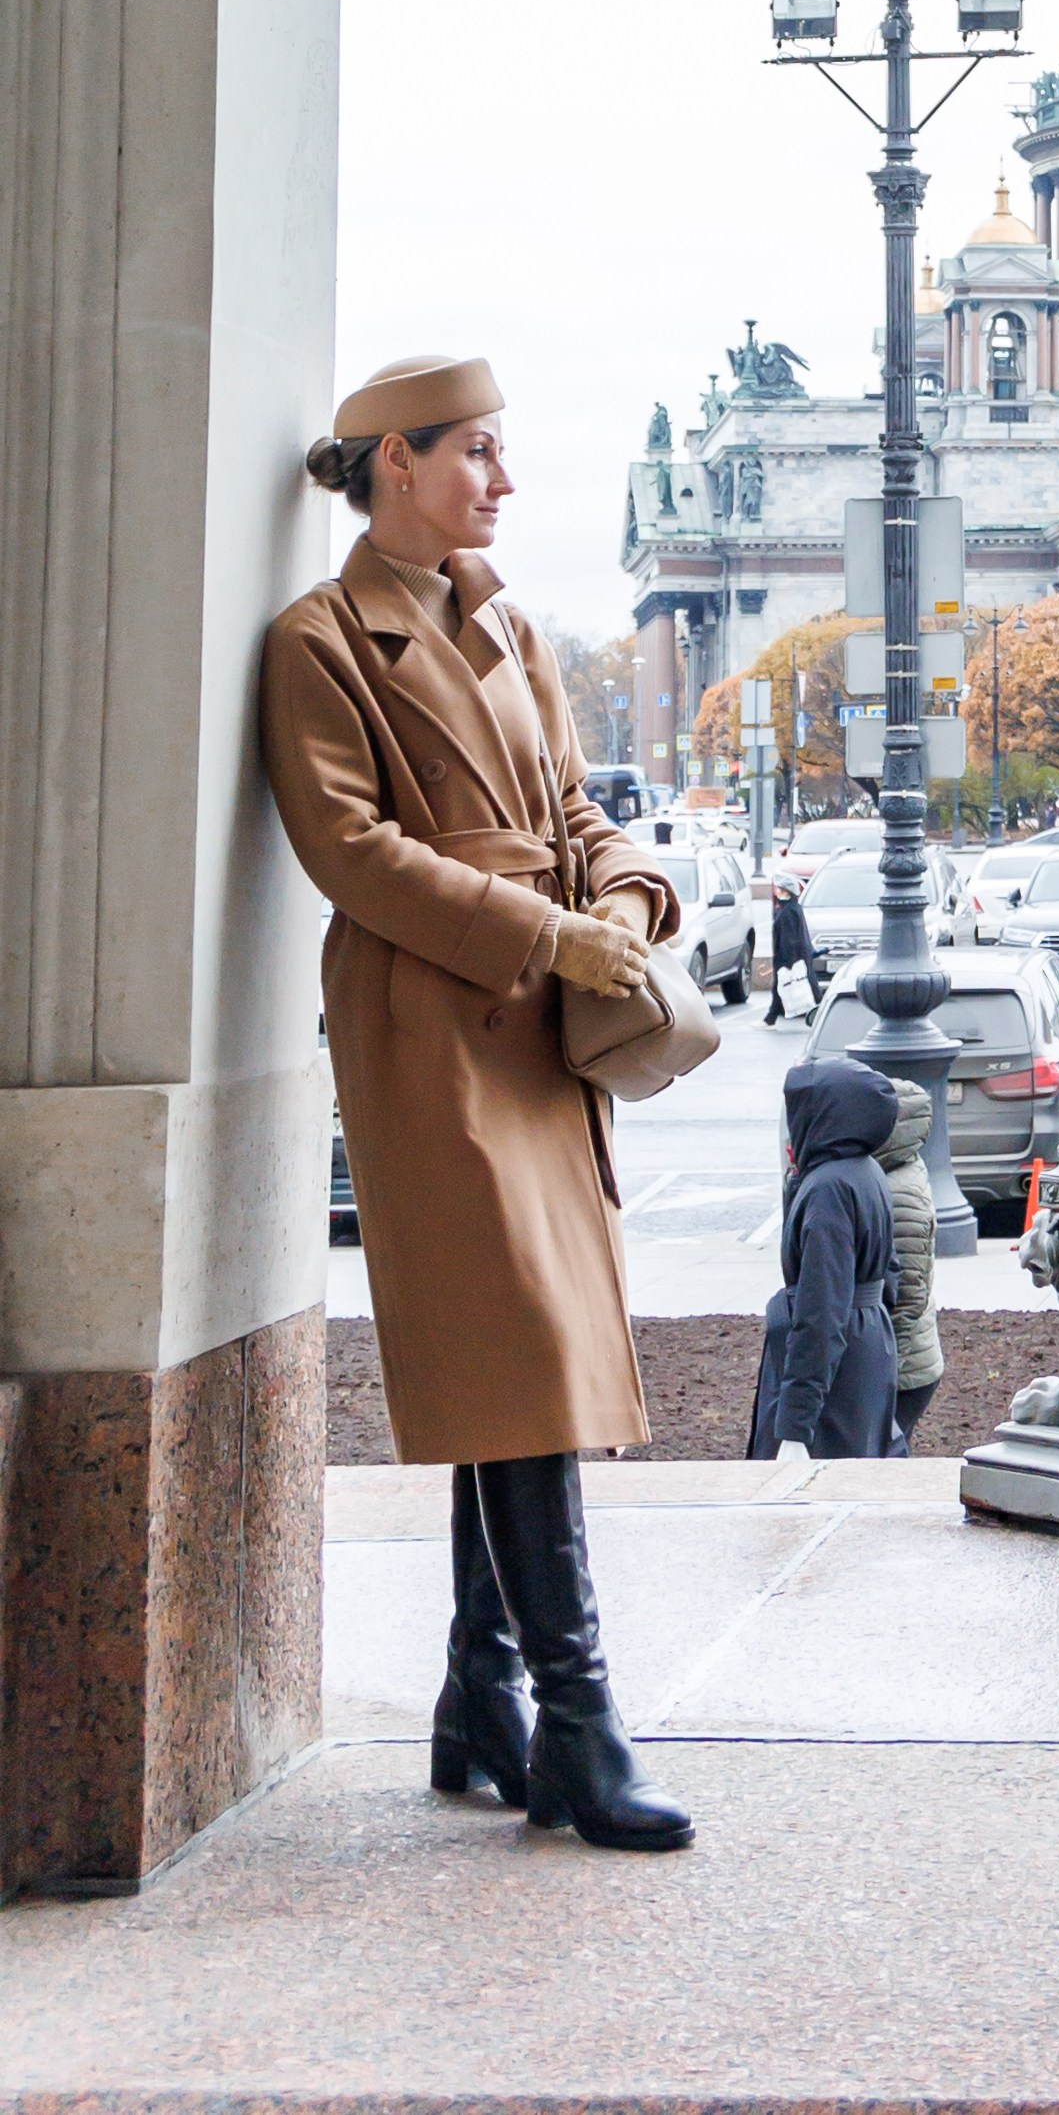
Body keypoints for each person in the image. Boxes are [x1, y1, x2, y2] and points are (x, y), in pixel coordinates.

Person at [260, 355, 694, 1852]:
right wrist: (547, 933)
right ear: (394, 461)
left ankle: (478, 1697)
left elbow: (572, 810)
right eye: (478, 453)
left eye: (503, 455)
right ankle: (578, 1726)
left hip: (539, 1024)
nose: (502, 480)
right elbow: (351, 851)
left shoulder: (506, 618)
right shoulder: (320, 640)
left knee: (518, 1372)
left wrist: (633, 889)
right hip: (431, 1023)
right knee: (517, 1359)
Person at [749, 1057, 902, 1459]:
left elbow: (821, 1311)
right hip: (865, 1352)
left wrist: (797, 1426)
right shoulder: (865, 1172)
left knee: (815, 1498)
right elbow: (891, 1274)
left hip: (836, 1371)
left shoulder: (828, 1190)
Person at [879, 1078, 945, 1448]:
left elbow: (905, 1298)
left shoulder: (899, 1193)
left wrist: (881, 1372)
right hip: (910, 1364)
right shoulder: (898, 1168)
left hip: (905, 1371)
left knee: (881, 1461)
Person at [762, 875, 825, 1025]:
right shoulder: (793, 908)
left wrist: (788, 961)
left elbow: (788, 938)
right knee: (800, 986)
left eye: (780, 889)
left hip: (789, 958)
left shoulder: (786, 912)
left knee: (785, 986)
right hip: (798, 956)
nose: (777, 891)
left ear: (786, 891)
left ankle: (770, 1019)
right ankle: (770, 1018)